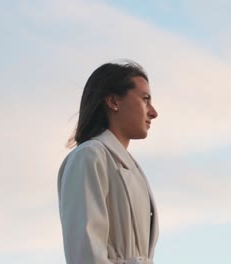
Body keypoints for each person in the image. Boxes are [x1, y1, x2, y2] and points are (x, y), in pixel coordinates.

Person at [57, 60, 159, 264]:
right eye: (145, 99)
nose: (153, 112)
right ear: (113, 101)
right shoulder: (89, 156)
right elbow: (84, 256)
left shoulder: (132, 167)